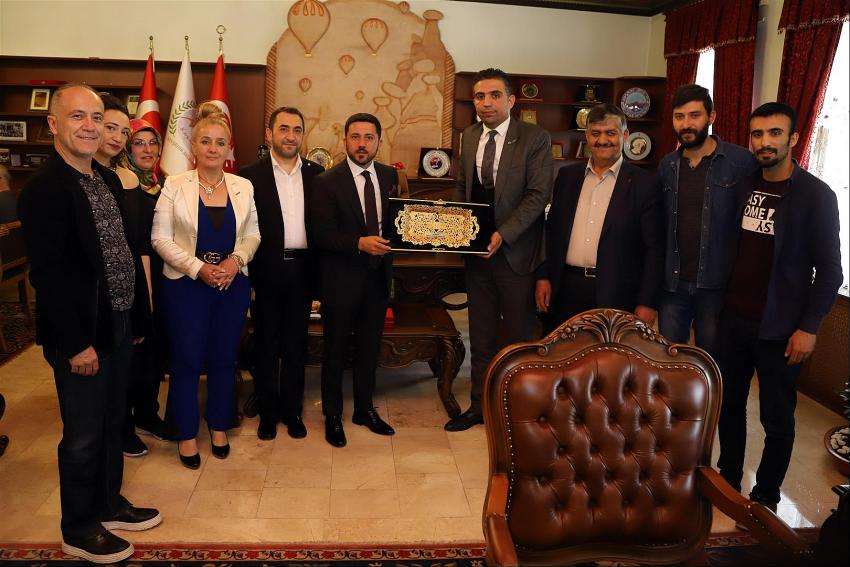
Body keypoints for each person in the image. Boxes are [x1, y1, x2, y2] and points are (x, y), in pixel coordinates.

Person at [18, 84, 160, 564]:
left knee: (112, 420)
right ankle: (78, 527)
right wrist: (77, 343)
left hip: (117, 321)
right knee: (82, 434)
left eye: (96, 118)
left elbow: (123, 253)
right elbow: (49, 276)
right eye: (77, 116)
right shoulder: (45, 190)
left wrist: (135, 318)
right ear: (53, 124)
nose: (90, 126)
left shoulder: (106, 179)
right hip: (80, 334)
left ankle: (107, 504)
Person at [716, 103, 842, 512]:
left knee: (777, 419)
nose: (764, 142)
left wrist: (809, 327)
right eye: (757, 134)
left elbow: (830, 271)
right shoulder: (743, 187)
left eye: (774, 133)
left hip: (781, 330)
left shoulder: (816, 196)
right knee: (729, 407)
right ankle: (728, 480)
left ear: (793, 139)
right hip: (734, 322)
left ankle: (766, 496)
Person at [151, 105, 260, 468]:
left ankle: (219, 424)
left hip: (231, 285)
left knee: (224, 357)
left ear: (229, 148)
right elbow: (160, 239)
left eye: (220, 142)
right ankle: (185, 432)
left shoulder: (243, 186)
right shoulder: (174, 185)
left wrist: (235, 261)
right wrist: (198, 268)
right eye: (205, 141)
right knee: (186, 358)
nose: (213, 148)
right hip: (186, 287)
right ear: (194, 146)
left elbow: (253, 235)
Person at [447, 68, 552, 432]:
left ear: (511, 100)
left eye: (494, 95)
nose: (486, 103)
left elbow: (538, 195)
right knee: (481, 335)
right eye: (479, 96)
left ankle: (516, 414)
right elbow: (462, 186)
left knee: (518, 339)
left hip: (516, 255)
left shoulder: (534, 138)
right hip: (477, 256)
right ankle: (479, 406)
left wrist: (503, 235)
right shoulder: (468, 136)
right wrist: (458, 229)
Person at [309, 112, 398, 448]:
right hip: (341, 281)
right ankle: (333, 415)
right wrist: (359, 243)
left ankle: (364, 409)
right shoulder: (326, 181)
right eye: (355, 137)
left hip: (377, 279)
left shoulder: (389, 176)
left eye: (368, 137)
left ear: (378, 141)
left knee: (369, 349)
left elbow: (398, 222)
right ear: (345, 140)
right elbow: (321, 235)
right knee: (335, 351)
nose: (362, 144)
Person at [535, 103, 663, 329]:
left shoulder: (645, 183)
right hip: (565, 288)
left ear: (625, 135)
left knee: (610, 353)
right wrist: (543, 276)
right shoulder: (567, 177)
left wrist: (647, 301)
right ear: (587, 136)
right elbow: (551, 232)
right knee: (564, 351)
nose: (602, 140)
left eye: (610, 133)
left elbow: (654, 249)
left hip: (618, 294)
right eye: (595, 133)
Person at [240, 107, 324, 441]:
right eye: (284, 129)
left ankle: (292, 412)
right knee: (265, 344)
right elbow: (243, 229)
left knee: (296, 345)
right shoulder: (249, 176)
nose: (290, 136)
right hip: (266, 270)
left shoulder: (317, 175)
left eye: (297, 130)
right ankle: (267, 412)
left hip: (303, 270)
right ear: (269, 133)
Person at [93, 93, 167, 457]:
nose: (146, 149)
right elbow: (136, 244)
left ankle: (147, 414)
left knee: (152, 355)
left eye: (152, 143)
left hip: (163, 277)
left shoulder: (165, 183)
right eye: (138, 142)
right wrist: (147, 293)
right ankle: (123, 425)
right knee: (129, 358)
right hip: (137, 279)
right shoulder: (120, 183)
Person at [657, 84, 756, 356]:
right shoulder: (667, 165)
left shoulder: (740, 162)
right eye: (679, 117)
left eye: (694, 115)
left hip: (717, 286)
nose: (686, 124)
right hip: (673, 284)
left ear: (711, 117)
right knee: (669, 359)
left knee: (711, 361)